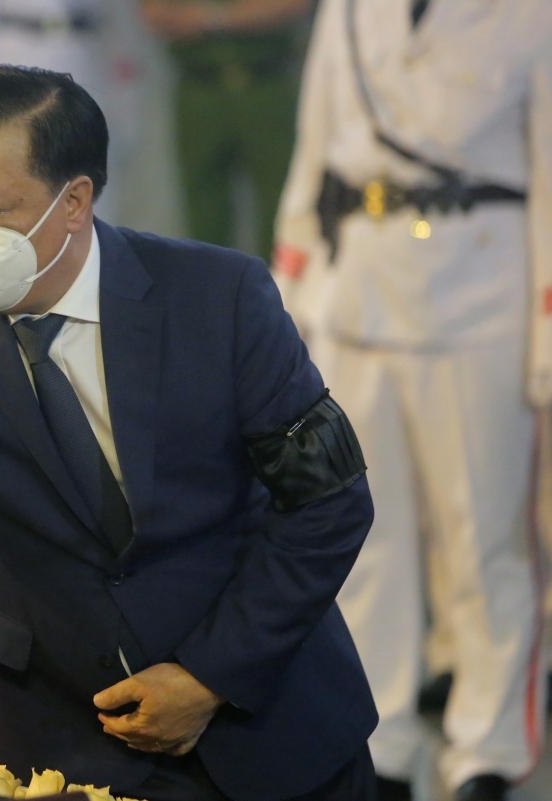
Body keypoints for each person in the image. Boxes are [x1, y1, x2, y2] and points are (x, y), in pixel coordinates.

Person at [0, 64, 378, 800]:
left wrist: (210, 677)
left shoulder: (219, 298)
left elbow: (328, 504)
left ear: (73, 200)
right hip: (60, 744)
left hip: (270, 731)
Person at [272, 1, 552, 799]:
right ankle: (380, 737)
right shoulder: (357, 8)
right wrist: (289, 291)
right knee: (367, 537)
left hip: (484, 297)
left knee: (487, 542)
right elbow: (315, 142)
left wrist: (547, 331)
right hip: (358, 287)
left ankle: (486, 748)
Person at [0, 0, 150, 223]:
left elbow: (122, 30)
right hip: (9, 56)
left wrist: (127, 111)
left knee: (84, 197)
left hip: (86, 58)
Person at [141, 0, 312, 260]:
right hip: (199, 83)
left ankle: (276, 295)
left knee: (282, 209)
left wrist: (209, 18)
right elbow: (155, 13)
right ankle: (212, 296)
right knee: (203, 212)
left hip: (266, 80)